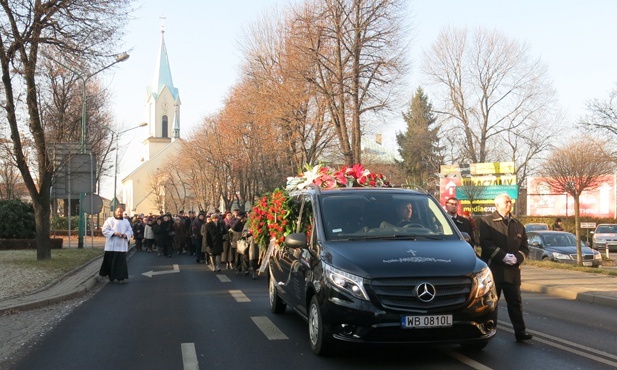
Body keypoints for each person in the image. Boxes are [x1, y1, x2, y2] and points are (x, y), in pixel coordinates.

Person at [478, 193, 532, 342]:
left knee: (515, 303)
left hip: (512, 271)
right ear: (497, 205)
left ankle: (520, 332)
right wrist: (502, 256)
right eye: (506, 202)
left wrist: (517, 258)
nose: (510, 204)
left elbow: (525, 247)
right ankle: (487, 330)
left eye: (510, 202)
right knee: (491, 304)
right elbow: (486, 243)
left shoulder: (518, 224)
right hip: (494, 270)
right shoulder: (487, 221)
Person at [99, 206, 133, 283]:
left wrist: (126, 235)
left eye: (121, 211)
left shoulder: (126, 221)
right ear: (115, 212)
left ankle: (120, 277)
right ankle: (111, 276)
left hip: (121, 246)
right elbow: (104, 230)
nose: (119, 213)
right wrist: (114, 233)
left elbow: (130, 231)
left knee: (120, 263)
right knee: (111, 262)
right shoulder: (109, 220)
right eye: (118, 211)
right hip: (111, 245)